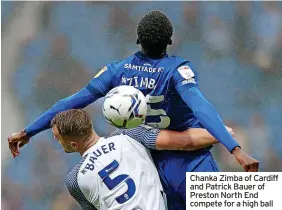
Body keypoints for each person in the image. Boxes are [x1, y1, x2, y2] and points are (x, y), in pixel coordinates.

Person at [8, 10, 259, 209]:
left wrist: (29, 131)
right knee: (260, 201)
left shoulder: (117, 71)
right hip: (191, 163)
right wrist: (235, 149)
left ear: (138, 39)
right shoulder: (176, 70)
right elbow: (201, 107)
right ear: (170, 41)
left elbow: (70, 103)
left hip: (154, 171)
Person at [50, 109, 225, 210]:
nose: (57, 141)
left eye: (57, 137)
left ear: (74, 144)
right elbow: (185, 141)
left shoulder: (74, 180)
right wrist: (223, 134)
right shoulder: (129, 134)